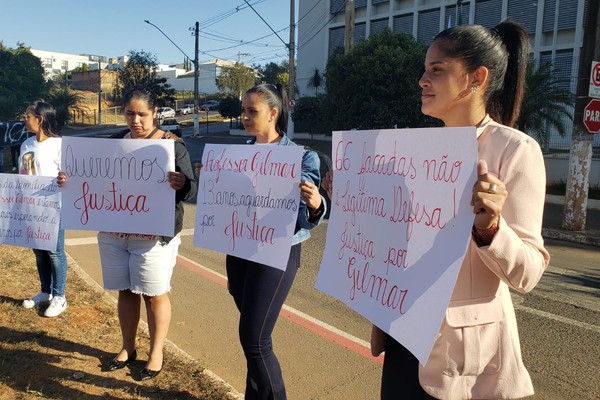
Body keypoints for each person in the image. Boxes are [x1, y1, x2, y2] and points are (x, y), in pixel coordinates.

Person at [324, 20, 551, 400]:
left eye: (437, 70)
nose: (422, 80)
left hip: (462, 358)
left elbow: (528, 273)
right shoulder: (416, 150)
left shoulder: (514, 150)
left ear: (476, 78)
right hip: (402, 333)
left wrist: (490, 227)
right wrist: (348, 198)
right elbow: (394, 236)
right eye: (425, 69)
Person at [58, 85, 197, 380]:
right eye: (130, 113)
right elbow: (91, 176)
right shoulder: (113, 143)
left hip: (152, 238)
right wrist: (68, 179)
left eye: (142, 114)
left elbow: (191, 190)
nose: (136, 120)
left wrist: (181, 182)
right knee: (125, 290)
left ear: (155, 112)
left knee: (154, 294)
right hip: (114, 234)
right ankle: (127, 348)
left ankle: (156, 352)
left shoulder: (171, 145)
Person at [196, 83, 326, 399]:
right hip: (240, 249)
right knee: (252, 335)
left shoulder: (301, 158)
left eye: (251, 111)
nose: (244, 116)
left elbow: (308, 216)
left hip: (277, 251)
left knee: (254, 338)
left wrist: (314, 203)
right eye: (243, 110)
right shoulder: (236, 155)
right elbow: (225, 202)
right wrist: (208, 180)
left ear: (273, 113)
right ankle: (254, 393)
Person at [20, 101, 69, 318]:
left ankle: (60, 296)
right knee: (39, 251)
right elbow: (24, 173)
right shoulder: (26, 145)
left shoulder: (60, 145)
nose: (24, 119)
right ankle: (45, 291)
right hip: (32, 207)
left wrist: (64, 179)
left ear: (40, 119)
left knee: (55, 251)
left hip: (55, 207)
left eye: (27, 116)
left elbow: (72, 175)